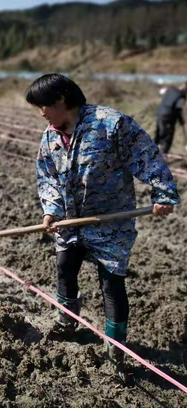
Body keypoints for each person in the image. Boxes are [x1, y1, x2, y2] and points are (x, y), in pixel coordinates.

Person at [26, 74, 179, 375]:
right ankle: (66, 322)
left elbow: (147, 156)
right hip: (71, 222)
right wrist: (51, 212)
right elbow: (47, 177)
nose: (41, 113)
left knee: (111, 285)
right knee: (64, 269)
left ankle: (115, 350)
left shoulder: (110, 124)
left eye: (43, 106)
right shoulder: (50, 135)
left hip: (111, 223)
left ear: (60, 101)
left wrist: (162, 193)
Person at [154, 82, 186, 154]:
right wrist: (181, 120)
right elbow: (178, 108)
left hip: (159, 114)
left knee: (158, 135)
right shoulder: (181, 96)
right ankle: (162, 157)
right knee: (167, 138)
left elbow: (161, 93)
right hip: (168, 116)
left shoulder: (169, 90)